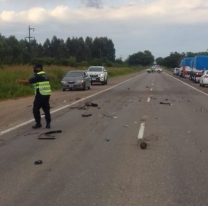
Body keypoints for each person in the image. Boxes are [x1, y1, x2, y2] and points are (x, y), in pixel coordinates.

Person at [16, 64, 52, 129]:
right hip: (47, 95)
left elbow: (28, 81)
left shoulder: (38, 76)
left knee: (35, 109)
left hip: (40, 95)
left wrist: (20, 81)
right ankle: (48, 124)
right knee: (46, 109)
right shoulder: (46, 75)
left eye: (35, 68)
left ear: (39, 68)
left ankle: (38, 123)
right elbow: (37, 83)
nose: (34, 70)